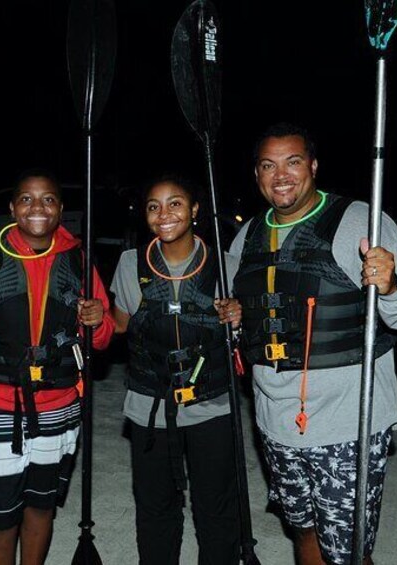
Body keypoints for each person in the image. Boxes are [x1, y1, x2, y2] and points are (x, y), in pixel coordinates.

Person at [229, 123, 397, 565]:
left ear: (313, 165)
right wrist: (235, 320)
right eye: (269, 165)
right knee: (303, 531)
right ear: (256, 175)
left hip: (349, 423)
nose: (281, 175)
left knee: (347, 550)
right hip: (275, 421)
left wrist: (392, 286)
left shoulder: (360, 221)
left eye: (293, 162)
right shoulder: (245, 235)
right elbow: (251, 322)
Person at [0, 169, 114, 565]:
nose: (36, 207)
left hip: (58, 406)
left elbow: (102, 340)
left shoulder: (79, 261)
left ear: (60, 209)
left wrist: (97, 321)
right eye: (26, 199)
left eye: (47, 199)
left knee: (41, 507)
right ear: (12, 208)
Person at [110, 174, 242, 565]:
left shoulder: (225, 262)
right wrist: (93, 317)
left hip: (212, 406)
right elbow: (117, 326)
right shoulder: (131, 263)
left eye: (175, 203)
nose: (164, 214)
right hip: (149, 405)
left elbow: (245, 329)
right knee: (155, 508)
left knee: (215, 508)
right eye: (154, 206)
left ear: (195, 210)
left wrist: (238, 316)